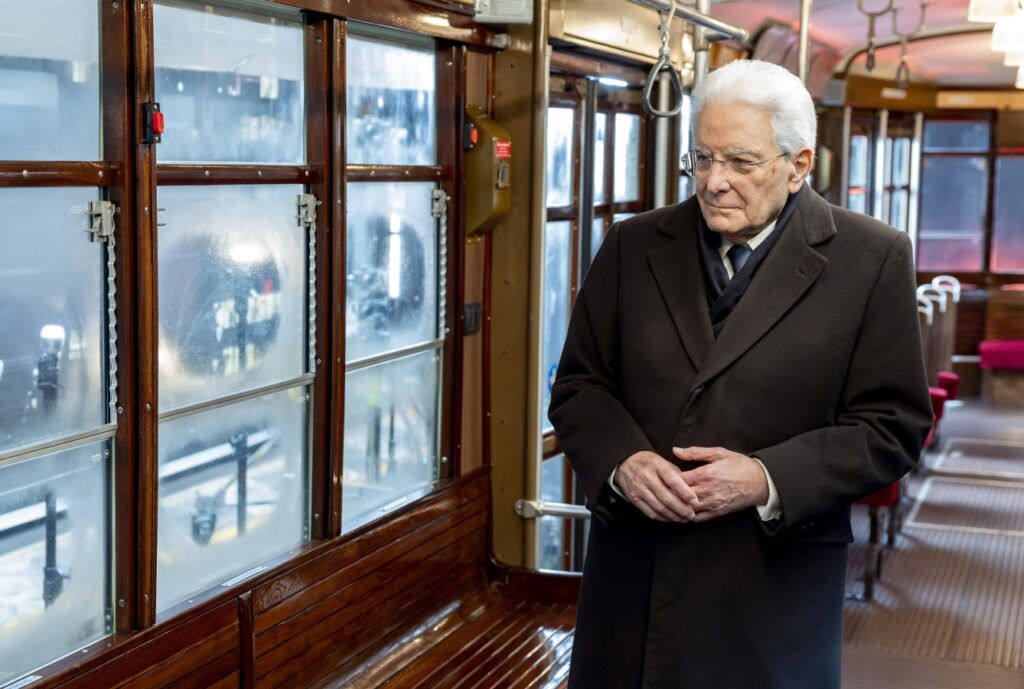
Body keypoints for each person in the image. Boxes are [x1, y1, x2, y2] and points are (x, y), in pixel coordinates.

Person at [548, 59, 932, 689]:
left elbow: (893, 427)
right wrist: (623, 462)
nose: (713, 182)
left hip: (771, 591)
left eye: (740, 162)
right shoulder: (632, 244)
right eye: (701, 158)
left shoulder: (872, 259)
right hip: (632, 584)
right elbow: (579, 385)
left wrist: (765, 477)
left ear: (798, 165)